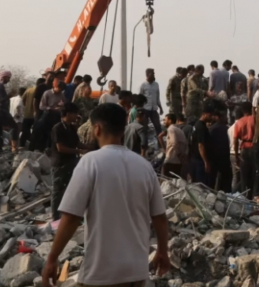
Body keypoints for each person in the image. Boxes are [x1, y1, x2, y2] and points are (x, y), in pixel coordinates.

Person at [41, 103, 169, 287]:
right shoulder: (144, 166)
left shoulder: (90, 162)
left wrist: (52, 258)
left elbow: (71, 218)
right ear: (123, 130)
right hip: (136, 273)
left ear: (97, 129)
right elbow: (160, 217)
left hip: (101, 273)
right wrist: (163, 252)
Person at [50, 103, 86, 220]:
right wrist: (78, 151)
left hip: (71, 163)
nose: (77, 116)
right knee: (58, 191)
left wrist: (90, 148)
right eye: (75, 114)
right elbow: (60, 148)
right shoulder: (58, 128)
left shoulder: (71, 128)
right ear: (68, 114)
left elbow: (77, 143)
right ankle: (55, 217)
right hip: (60, 164)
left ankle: (66, 215)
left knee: (70, 189)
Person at [233, 102, 256, 195]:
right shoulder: (254, 119)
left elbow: (235, 140)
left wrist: (236, 154)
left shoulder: (239, 122)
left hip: (244, 149)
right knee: (253, 175)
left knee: (244, 176)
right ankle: (252, 195)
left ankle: (244, 195)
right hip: (254, 147)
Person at [190, 104, 215, 186]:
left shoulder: (197, 125)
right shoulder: (201, 127)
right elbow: (201, 145)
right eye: (210, 115)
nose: (211, 118)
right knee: (202, 186)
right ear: (204, 114)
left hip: (195, 160)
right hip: (200, 161)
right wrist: (206, 162)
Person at [209, 107, 233, 192]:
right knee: (225, 178)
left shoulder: (212, 129)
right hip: (224, 157)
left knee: (217, 178)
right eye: (224, 117)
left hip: (215, 157)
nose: (226, 118)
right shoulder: (226, 128)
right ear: (220, 117)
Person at [158, 113, 188, 178]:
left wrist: (179, 154)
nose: (164, 122)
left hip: (171, 160)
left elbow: (174, 143)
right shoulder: (179, 130)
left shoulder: (171, 129)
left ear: (170, 120)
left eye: (165, 120)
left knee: (166, 180)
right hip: (178, 162)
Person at [139, 68, 163, 136]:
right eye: (152, 74)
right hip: (145, 109)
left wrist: (160, 108)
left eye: (154, 74)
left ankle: (159, 141)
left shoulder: (156, 84)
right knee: (144, 127)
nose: (153, 75)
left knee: (158, 126)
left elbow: (157, 97)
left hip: (154, 109)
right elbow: (140, 97)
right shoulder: (143, 85)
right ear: (147, 75)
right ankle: (144, 141)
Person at [20, 80, 40, 147]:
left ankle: (21, 145)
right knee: (35, 131)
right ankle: (32, 146)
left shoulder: (29, 90)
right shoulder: (40, 91)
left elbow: (23, 99)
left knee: (25, 131)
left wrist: (27, 106)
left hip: (27, 114)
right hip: (36, 115)